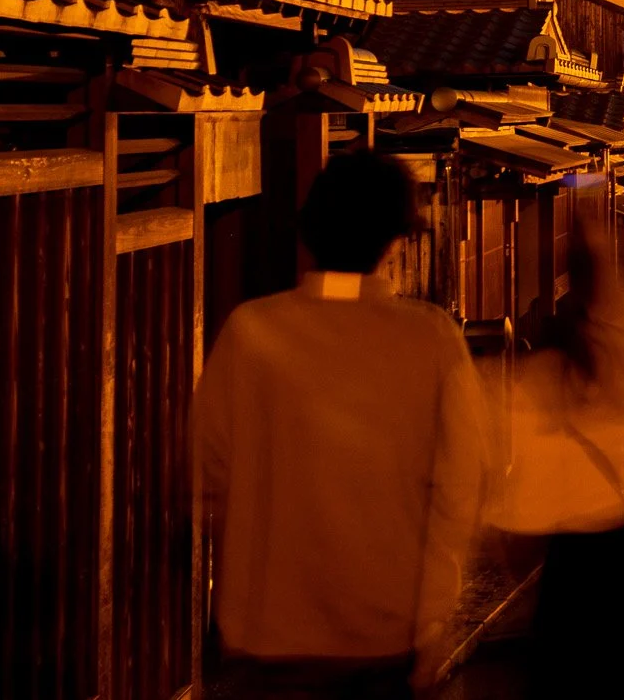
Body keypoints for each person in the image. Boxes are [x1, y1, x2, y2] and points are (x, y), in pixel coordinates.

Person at [196, 151, 489, 698]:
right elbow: (458, 489)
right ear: (395, 240)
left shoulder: (251, 333)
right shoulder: (430, 341)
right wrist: (432, 618)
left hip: (266, 632)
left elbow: (208, 474)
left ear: (311, 232)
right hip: (383, 632)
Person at [495, 242, 624, 700]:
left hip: (569, 572)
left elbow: (523, 506)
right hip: (622, 554)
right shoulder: (616, 356)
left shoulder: (536, 381)